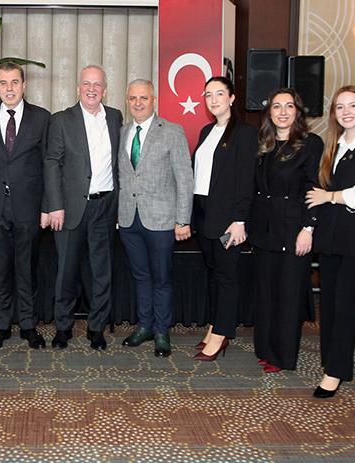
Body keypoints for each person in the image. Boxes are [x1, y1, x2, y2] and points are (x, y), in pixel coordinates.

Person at [305, 85, 355, 398]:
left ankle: (336, 371)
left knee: (347, 306)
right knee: (329, 303)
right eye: (340, 107)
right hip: (331, 238)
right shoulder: (334, 146)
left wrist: (329, 197)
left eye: (353, 105)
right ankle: (330, 362)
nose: (346, 112)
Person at [44, 65, 123, 351]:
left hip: (105, 207)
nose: (92, 89)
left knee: (102, 273)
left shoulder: (115, 117)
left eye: (97, 84)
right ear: (78, 88)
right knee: (67, 272)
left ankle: (96, 329)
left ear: (105, 89)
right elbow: (52, 163)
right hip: (71, 209)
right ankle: (63, 328)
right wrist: (55, 206)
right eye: (87, 84)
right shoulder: (61, 120)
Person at [0, 62, 51, 350]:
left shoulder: (41, 118)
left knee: (26, 268)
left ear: (24, 85)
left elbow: (48, 166)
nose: (9, 88)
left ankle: (29, 325)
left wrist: (47, 207)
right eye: (4, 83)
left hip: (29, 206)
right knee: (0, 268)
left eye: (14, 82)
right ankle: (2, 325)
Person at [117, 79, 194, 357]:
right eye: (133, 98)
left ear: (154, 100)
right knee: (140, 276)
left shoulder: (172, 131)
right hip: (129, 220)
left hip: (161, 220)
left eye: (144, 98)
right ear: (127, 101)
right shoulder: (123, 131)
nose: (138, 103)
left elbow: (185, 178)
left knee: (161, 278)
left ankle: (162, 331)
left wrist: (183, 220)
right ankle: (145, 326)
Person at [250, 88, 323, 373]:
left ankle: (282, 356)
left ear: (297, 111)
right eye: (277, 106)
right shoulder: (264, 144)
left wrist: (309, 227)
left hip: (294, 229)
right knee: (265, 292)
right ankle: (265, 349)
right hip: (264, 229)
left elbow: (314, 188)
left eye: (289, 106)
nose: (283, 112)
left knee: (288, 296)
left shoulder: (310, 144)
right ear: (269, 113)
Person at [191, 76, 257, 362]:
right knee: (213, 275)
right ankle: (214, 326)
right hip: (204, 214)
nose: (213, 99)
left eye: (219, 93)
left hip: (228, 218)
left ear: (231, 98)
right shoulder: (207, 131)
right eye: (208, 95)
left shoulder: (244, 132)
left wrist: (240, 220)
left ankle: (222, 333)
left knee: (227, 277)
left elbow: (246, 180)